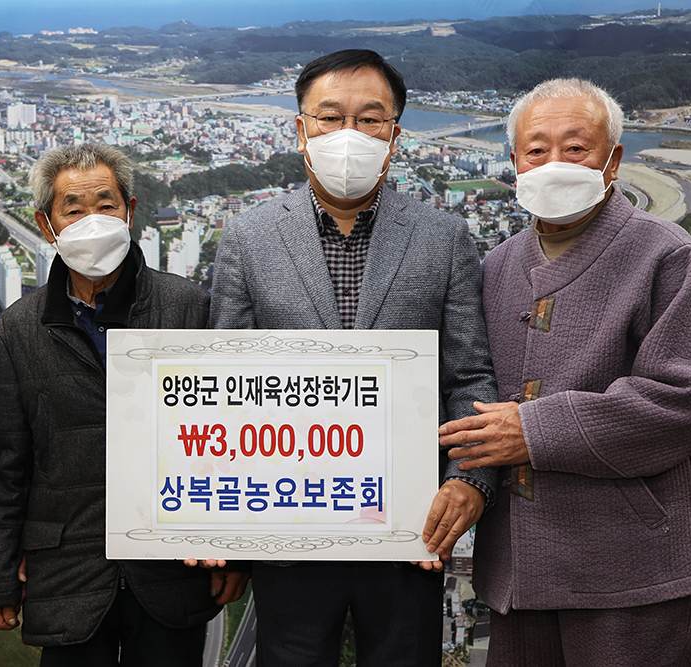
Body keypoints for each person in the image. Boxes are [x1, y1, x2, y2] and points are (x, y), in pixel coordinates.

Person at [208, 49, 497, 666]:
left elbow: (468, 376)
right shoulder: (249, 235)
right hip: (287, 519)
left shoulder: (443, 236)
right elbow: (224, 379)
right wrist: (221, 527)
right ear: (300, 128)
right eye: (330, 116)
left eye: (370, 119)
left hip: (407, 524)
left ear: (395, 133)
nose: (349, 135)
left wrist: (470, 480)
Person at [438, 78, 691, 666]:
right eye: (536, 150)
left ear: (613, 159)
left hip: (637, 564)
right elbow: (469, 381)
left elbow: (687, 399)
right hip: (520, 569)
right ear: (514, 161)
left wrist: (538, 430)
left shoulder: (664, 253)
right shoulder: (497, 264)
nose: (554, 163)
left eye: (577, 147)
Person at [0, 143, 249, 666]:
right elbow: (4, 465)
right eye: (73, 209)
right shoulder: (15, 331)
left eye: (105, 204)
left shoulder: (190, 308)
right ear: (46, 222)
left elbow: (230, 439)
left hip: (172, 566)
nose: (92, 220)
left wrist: (234, 551)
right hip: (68, 569)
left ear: (130, 208)